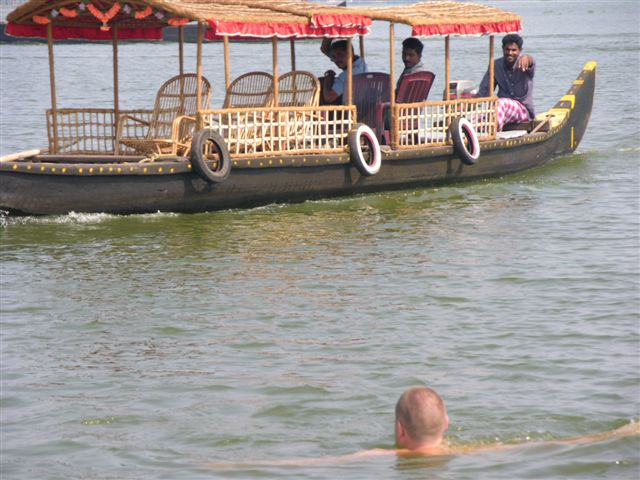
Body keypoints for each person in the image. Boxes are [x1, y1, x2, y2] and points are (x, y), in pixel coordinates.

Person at [207, 387, 639, 468]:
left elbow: (313, 463)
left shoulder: (379, 456)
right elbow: (561, 443)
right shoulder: (474, 452)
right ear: (447, 424)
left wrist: (227, 466)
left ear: (399, 431)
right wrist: (620, 434)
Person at [479, 33, 535, 131]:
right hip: (501, 111)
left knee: (501, 103)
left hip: (522, 111)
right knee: (480, 115)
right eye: (507, 49)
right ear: (503, 49)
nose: (510, 53)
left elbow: (531, 62)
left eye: (514, 50)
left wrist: (527, 58)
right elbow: (484, 92)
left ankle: (494, 132)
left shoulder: (524, 62)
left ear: (520, 50)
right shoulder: (495, 65)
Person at [320, 38, 368, 105]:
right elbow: (324, 49)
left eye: (340, 55)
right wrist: (331, 35)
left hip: (348, 107)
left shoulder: (349, 74)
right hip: (360, 102)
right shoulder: (360, 62)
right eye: (334, 57)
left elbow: (328, 97)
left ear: (350, 54)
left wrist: (329, 76)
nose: (336, 60)